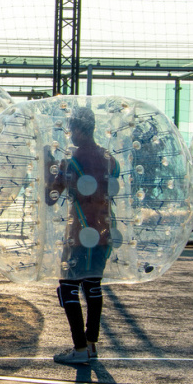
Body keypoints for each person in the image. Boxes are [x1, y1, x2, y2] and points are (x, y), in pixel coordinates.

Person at [47, 106, 120, 365]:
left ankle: (78, 348)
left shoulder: (71, 161)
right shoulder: (109, 158)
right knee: (92, 285)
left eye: (71, 129)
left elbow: (51, 197)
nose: (70, 134)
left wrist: (49, 169)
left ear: (79, 129)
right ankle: (90, 344)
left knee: (68, 285)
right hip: (103, 231)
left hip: (79, 233)